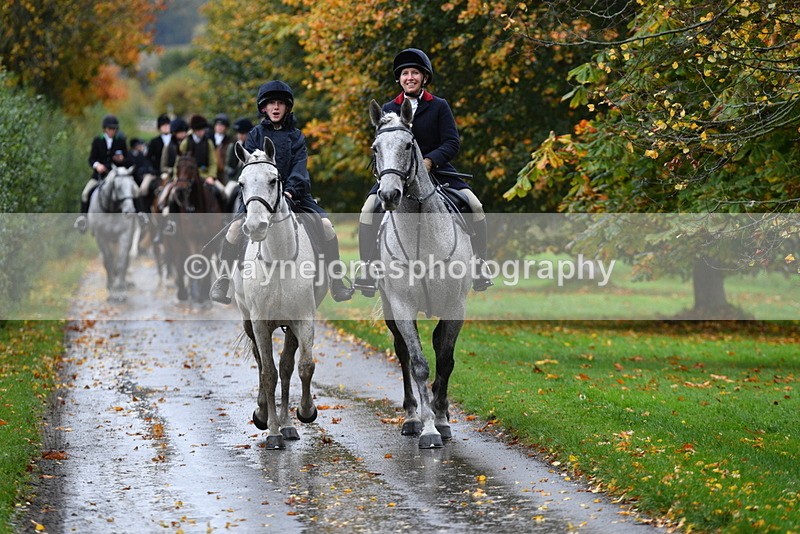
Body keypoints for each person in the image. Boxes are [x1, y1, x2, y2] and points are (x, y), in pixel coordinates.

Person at [354, 48, 493, 295]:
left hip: (437, 172)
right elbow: (384, 145)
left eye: (415, 73)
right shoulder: (388, 108)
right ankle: (367, 268)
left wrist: (430, 161)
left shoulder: (439, 106)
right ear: (399, 79)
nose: (410, 77)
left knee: (475, 204)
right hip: (396, 174)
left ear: (424, 78)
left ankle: (480, 263)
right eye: (405, 73)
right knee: (367, 210)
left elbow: (452, 142)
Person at [209, 81, 353, 304]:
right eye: (271, 104)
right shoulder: (254, 135)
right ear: (264, 108)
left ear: (287, 108)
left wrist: (289, 191)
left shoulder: (296, 136)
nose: (275, 108)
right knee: (235, 228)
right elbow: (251, 170)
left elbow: (299, 168)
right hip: (259, 197)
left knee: (325, 226)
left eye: (280, 104)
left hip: (293, 196)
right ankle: (224, 279)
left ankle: (335, 281)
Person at [74, 114, 129, 232]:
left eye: (114, 129)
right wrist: (97, 166)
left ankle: (138, 215)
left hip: (117, 176)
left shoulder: (121, 141)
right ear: (105, 129)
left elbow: (127, 159)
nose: (112, 131)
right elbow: (91, 159)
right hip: (99, 176)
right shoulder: (97, 140)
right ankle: (83, 220)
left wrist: (122, 159)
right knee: (85, 193)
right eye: (110, 129)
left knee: (131, 191)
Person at [223, 117, 253, 212]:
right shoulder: (233, 146)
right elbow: (228, 165)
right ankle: (226, 217)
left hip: (250, 179)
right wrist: (230, 170)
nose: (240, 136)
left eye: (243, 133)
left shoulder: (253, 147)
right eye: (239, 133)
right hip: (235, 179)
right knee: (226, 194)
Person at [212, 113, 234, 184]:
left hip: (224, 174)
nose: (219, 127)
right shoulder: (209, 139)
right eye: (217, 125)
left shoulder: (230, 141)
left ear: (226, 127)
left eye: (222, 125)